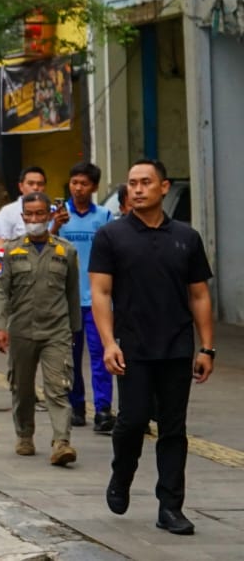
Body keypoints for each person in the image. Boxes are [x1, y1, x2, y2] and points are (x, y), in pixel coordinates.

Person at [89, 158, 215, 536]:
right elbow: (101, 292)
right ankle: (121, 473)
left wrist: (207, 348)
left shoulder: (186, 238)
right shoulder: (111, 236)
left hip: (176, 347)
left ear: (163, 187)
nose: (138, 189)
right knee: (131, 422)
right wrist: (109, 343)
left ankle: (170, 507)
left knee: (174, 430)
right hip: (133, 347)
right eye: (132, 183)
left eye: (146, 182)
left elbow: (199, 294)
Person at [0, 190, 80, 466]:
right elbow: (0, 291)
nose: (36, 219)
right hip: (22, 330)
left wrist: (74, 329)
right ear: (23, 216)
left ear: (50, 215)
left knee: (58, 387)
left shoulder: (66, 250)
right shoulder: (9, 251)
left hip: (56, 330)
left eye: (41, 214)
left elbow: (72, 292)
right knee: (22, 387)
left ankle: (62, 441)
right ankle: (24, 434)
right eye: (31, 214)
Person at [52, 161, 115, 433]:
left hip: (98, 301)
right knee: (70, 357)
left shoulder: (104, 217)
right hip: (66, 300)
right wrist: (54, 225)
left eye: (84, 184)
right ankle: (76, 406)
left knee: (102, 356)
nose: (78, 188)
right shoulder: (58, 216)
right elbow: (44, 245)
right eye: (74, 183)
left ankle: (102, 410)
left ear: (94, 187)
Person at [0, 166, 50, 241]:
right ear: (21, 186)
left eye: (40, 184)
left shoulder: (52, 210)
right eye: (31, 184)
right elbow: (1, 241)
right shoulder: (7, 212)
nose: (36, 188)